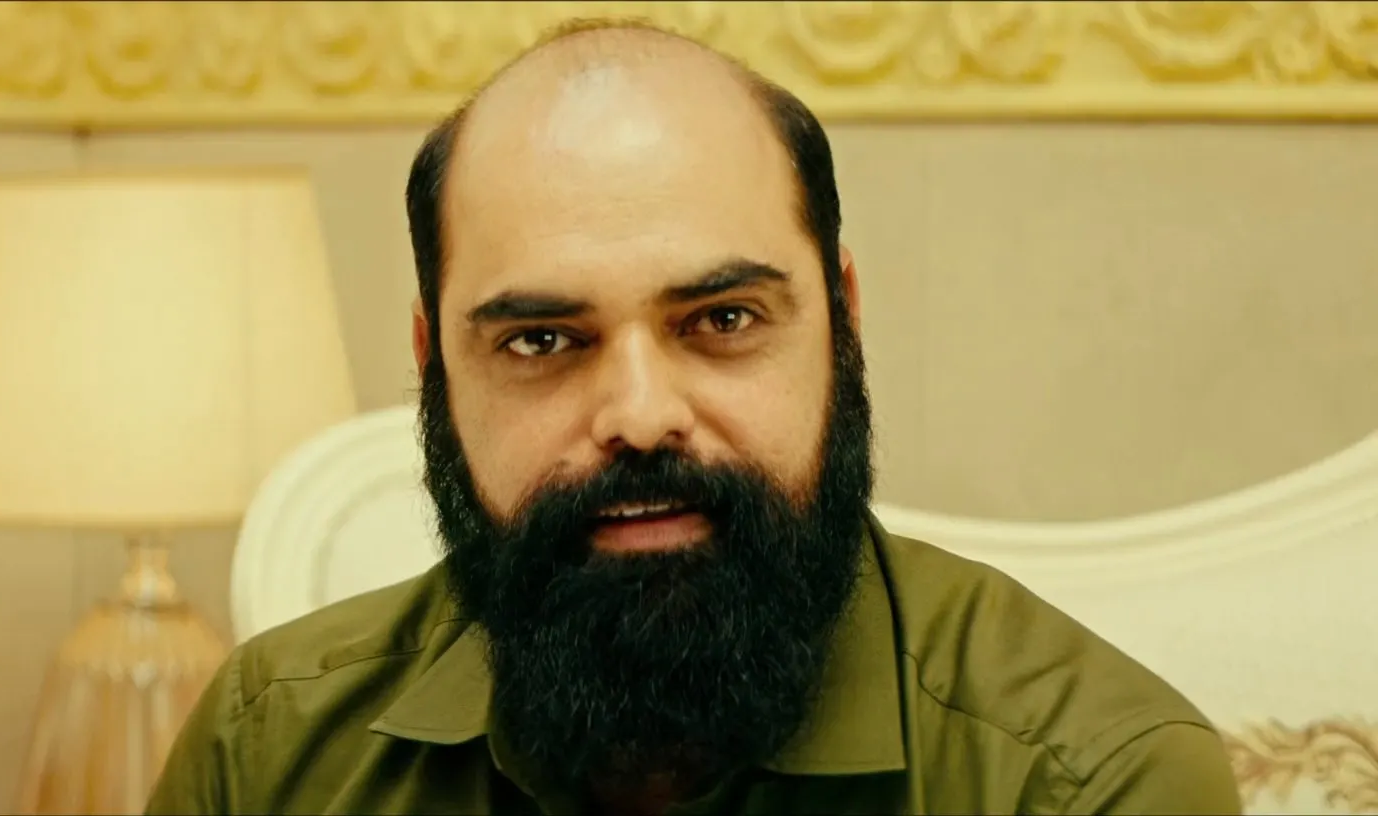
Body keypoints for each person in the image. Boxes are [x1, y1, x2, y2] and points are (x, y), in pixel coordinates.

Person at [146, 17, 1243, 816]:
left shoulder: (1088, 779)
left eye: (722, 320)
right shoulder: (270, 748)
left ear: (841, 322)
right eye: (541, 341)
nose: (639, 416)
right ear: (434, 368)